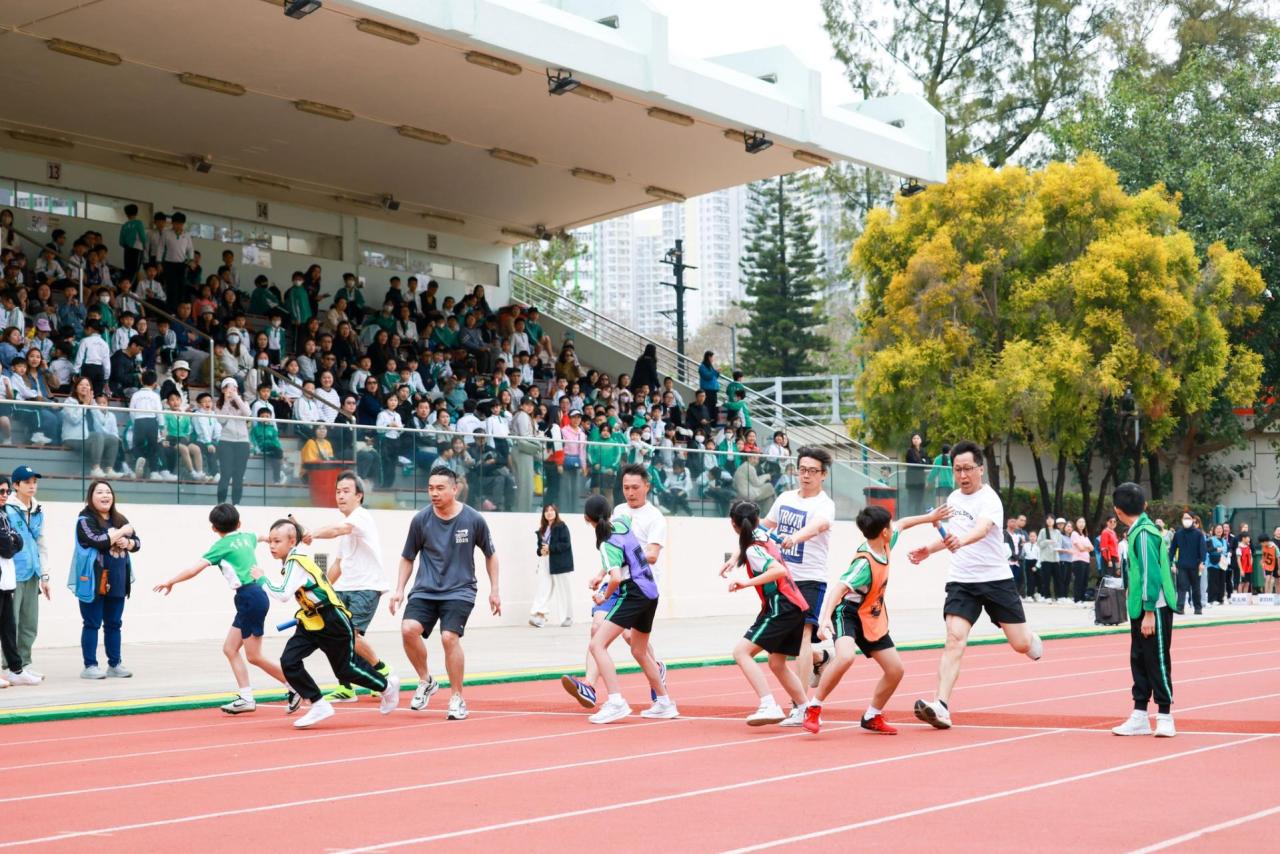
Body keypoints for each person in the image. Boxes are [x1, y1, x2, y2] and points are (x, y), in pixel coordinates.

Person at [907, 440, 1043, 729]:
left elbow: (980, 530)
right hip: (962, 580)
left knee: (1020, 644)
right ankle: (941, 705)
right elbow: (951, 536)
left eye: (968, 469)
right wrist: (928, 550)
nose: (963, 475)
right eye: (957, 470)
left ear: (980, 469)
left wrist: (961, 541)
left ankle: (1030, 637)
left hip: (995, 580)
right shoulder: (953, 499)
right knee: (954, 639)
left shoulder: (990, 499)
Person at [805, 504, 948, 735]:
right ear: (884, 531)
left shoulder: (885, 543)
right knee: (845, 657)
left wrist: (930, 517)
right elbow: (839, 588)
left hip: (871, 614)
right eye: (889, 525)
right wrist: (825, 620)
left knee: (895, 670)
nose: (893, 527)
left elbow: (903, 523)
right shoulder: (864, 563)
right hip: (848, 613)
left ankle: (872, 715)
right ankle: (813, 707)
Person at [153, 503, 299, 714]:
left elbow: (194, 570)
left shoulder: (220, 546)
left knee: (254, 656)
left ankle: (295, 686)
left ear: (214, 528)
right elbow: (263, 537)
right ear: (239, 523)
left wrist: (171, 581)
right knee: (230, 649)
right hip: (251, 598)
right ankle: (246, 697)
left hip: (250, 597)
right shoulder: (247, 536)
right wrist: (285, 536)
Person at [254, 518, 399, 729]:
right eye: (271, 541)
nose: (272, 546)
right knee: (289, 661)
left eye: (277, 541)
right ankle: (318, 704)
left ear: (292, 542)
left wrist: (261, 579)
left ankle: (386, 686)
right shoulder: (291, 562)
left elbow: (283, 594)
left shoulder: (297, 562)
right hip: (310, 620)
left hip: (332, 620)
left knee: (345, 670)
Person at [390, 465, 500, 721]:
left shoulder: (473, 519)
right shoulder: (421, 520)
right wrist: (399, 590)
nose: (434, 493)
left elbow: (491, 555)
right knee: (408, 629)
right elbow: (407, 557)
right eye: (430, 488)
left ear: (455, 489)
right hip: (425, 589)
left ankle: (457, 697)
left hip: (460, 590)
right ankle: (426, 680)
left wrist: (495, 590)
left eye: (440, 488)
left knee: (449, 638)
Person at [575, 494, 677, 724]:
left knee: (597, 645)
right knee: (639, 651)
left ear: (587, 519)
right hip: (651, 591)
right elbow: (628, 527)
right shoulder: (622, 522)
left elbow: (615, 578)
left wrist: (603, 596)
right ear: (610, 512)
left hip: (634, 592)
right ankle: (664, 702)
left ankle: (616, 702)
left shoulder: (605, 543)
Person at [756, 446, 835, 721]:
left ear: (823, 474)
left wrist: (795, 537)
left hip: (810, 578)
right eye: (802, 470)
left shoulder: (824, 504)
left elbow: (818, 526)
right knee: (781, 646)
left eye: (812, 471)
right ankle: (819, 658)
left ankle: (800, 706)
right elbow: (765, 526)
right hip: (782, 579)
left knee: (802, 634)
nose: (806, 475)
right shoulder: (785, 498)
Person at [301, 472, 392, 704]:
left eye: (346, 491)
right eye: (338, 492)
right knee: (332, 637)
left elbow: (336, 530)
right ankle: (346, 687)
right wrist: (323, 590)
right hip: (344, 589)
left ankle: (381, 671)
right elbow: (338, 565)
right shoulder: (348, 526)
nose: (340, 496)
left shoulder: (361, 517)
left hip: (366, 587)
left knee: (352, 635)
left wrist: (313, 534)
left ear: (359, 496)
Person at [721, 500, 808, 726]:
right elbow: (748, 544)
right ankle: (804, 710)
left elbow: (778, 570)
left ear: (733, 524)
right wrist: (733, 559)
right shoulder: (762, 535)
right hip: (795, 604)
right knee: (777, 663)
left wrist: (746, 583)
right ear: (757, 520)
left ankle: (768, 704)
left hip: (781, 605)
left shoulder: (753, 549)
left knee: (741, 652)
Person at [1110, 482, 1177, 738]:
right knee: (1139, 659)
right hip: (1141, 606)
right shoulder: (1137, 531)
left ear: (1117, 511)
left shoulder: (1145, 533)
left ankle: (1165, 715)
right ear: (1145, 505)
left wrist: (1149, 611)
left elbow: (1151, 573)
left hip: (1154, 608)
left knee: (1157, 661)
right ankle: (1140, 715)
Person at [73, 481, 140, 679]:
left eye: (108, 492)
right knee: (91, 623)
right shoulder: (85, 520)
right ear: (91, 497)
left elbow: (137, 543)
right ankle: (90, 666)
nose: (105, 496)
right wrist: (121, 532)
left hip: (118, 579)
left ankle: (115, 664)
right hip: (94, 580)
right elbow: (98, 541)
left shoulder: (119, 519)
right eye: (100, 492)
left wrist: (128, 542)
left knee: (114, 624)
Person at [5, 465, 49, 680]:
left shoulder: (38, 509)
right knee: (10, 623)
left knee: (29, 623)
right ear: (16, 485)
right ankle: (8, 666)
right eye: (27, 482)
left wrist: (45, 575)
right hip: (13, 574)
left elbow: (41, 543)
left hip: (32, 573)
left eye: (34, 482)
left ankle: (24, 664)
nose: (32, 486)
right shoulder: (7, 508)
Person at [0, 475, 37, 687]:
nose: (4, 495)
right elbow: (7, 546)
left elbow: (17, 542)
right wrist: (11, 540)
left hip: (5, 580)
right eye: (1, 491)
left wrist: (11, 540)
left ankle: (16, 670)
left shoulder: (3, 514)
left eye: (6, 491)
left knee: (8, 627)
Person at [529, 504, 573, 628]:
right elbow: (539, 548)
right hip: (545, 561)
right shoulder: (542, 530)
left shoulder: (561, 527)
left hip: (560, 562)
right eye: (546, 511)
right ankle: (539, 616)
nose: (549, 513)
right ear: (543, 514)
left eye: (551, 510)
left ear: (556, 512)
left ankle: (567, 617)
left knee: (563, 590)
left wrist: (551, 548)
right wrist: (541, 551)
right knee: (543, 588)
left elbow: (566, 544)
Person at [215, 377, 253, 505]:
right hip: (226, 441)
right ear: (222, 390)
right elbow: (222, 420)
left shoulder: (243, 401)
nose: (230, 390)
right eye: (227, 387)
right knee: (225, 473)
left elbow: (247, 414)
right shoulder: (219, 404)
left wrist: (236, 397)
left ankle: (236, 503)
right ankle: (221, 502)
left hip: (242, 442)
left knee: (239, 475)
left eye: (233, 387)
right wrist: (226, 402)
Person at [1169, 511, 1205, 615]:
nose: (1186, 520)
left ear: (1193, 519)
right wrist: (1170, 562)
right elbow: (1172, 549)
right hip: (1182, 565)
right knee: (1181, 587)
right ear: (1181, 520)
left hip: (1195, 565)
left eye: (1188, 518)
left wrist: (1202, 562)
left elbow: (1203, 549)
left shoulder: (1199, 534)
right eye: (1184, 518)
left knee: (1196, 587)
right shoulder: (1178, 534)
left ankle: (1198, 608)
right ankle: (1180, 607)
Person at [1070, 518, 1095, 606]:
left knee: (1084, 581)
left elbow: (1092, 548)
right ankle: (1077, 600)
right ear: (1076, 524)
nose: (1082, 524)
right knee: (1079, 581)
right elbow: (1080, 548)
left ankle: (1082, 599)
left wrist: (1085, 547)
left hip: (1086, 560)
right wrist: (1087, 548)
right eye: (1079, 522)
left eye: (1083, 522)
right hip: (1078, 560)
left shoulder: (1085, 536)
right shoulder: (1074, 534)